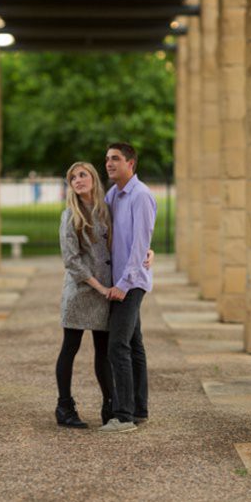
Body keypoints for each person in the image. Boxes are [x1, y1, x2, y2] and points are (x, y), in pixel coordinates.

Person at [55, 161, 153, 429]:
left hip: (107, 292)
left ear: (93, 178)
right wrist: (100, 288)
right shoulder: (70, 216)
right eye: (72, 177)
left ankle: (110, 404)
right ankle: (64, 407)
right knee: (70, 348)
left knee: (103, 352)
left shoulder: (106, 209)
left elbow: (129, 234)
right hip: (81, 292)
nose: (78, 180)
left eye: (82, 174)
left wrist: (147, 250)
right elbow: (72, 261)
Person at [99, 142, 157, 433]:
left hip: (131, 283)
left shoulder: (141, 195)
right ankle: (139, 408)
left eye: (115, 159)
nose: (109, 164)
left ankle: (123, 416)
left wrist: (123, 284)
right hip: (122, 279)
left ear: (130, 163)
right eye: (107, 159)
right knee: (134, 345)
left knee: (117, 346)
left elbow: (139, 244)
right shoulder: (114, 195)